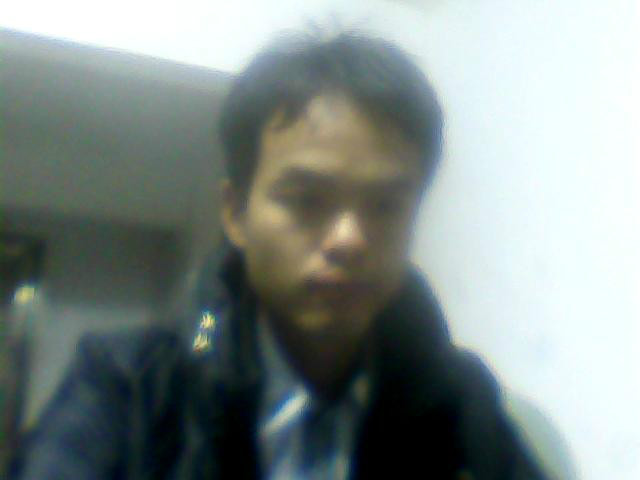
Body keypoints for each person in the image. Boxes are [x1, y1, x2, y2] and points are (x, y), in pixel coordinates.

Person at [14, 31, 549, 479]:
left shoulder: (460, 398)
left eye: (386, 206)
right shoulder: (128, 382)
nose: (349, 239)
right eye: (306, 200)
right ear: (236, 214)